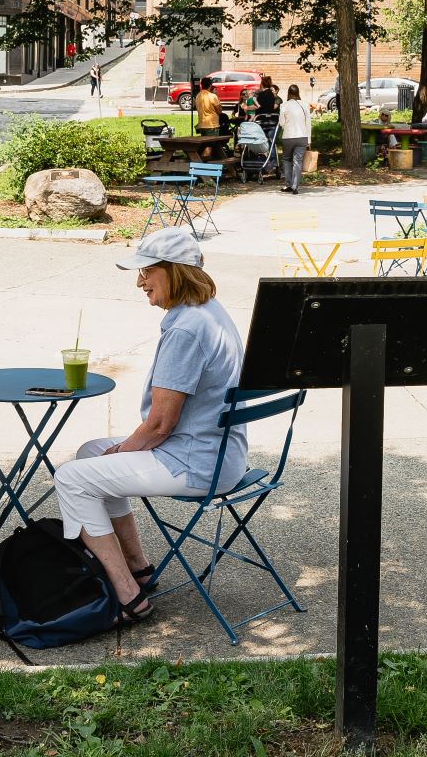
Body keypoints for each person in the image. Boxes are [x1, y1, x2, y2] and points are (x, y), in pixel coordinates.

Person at [53, 229, 246, 624]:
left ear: (173, 272)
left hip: (195, 461)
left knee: (72, 479)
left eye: (145, 271)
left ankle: (127, 594)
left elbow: (159, 424)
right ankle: (139, 567)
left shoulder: (186, 329)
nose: (139, 282)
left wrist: (123, 451)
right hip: (219, 451)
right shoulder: (210, 312)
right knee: (90, 452)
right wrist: (116, 451)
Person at [277, 84, 312, 193]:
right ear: (298, 93)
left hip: (288, 137)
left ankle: (288, 184)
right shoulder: (305, 105)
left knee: (287, 160)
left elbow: (281, 123)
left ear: (289, 93)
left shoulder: (284, 105)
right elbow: (308, 123)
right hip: (302, 137)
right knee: (298, 161)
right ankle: (295, 186)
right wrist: (309, 140)